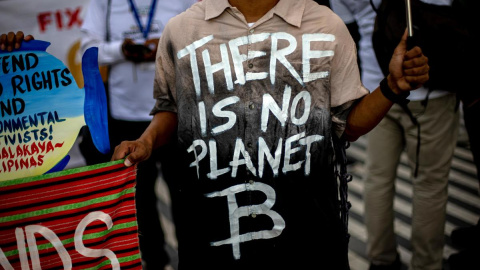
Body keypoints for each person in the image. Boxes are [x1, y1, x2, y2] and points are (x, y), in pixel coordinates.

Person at [111, 0, 429, 269]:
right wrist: (147, 141)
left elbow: (349, 125)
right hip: (211, 233)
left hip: (307, 236)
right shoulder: (181, 31)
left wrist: (392, 87)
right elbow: (172, 109)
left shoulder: (325, 25)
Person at [330, 0, 459, 269]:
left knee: (378, 178)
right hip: (431, 91)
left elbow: (344, 29)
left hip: (375, 93)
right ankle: (426, 264)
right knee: (430, 184)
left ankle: (381, 259)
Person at [79, 1, 197, 269]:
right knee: (137, 202)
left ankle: (191, 260)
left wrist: (168, 46)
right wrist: (121, 50)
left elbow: (203, 40)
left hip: (178, 116)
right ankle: (155, 262)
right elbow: (87, 50)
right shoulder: (105, 2)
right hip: (125, 119)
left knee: (186, 197)